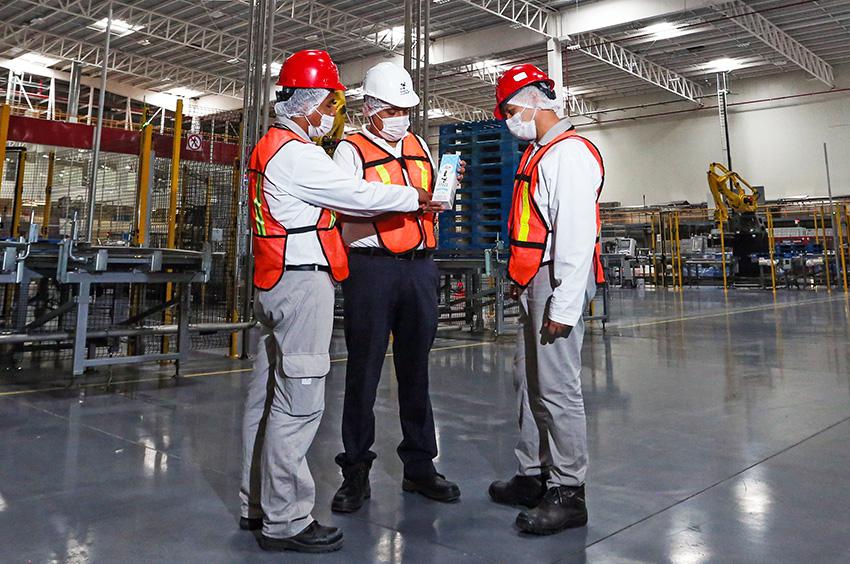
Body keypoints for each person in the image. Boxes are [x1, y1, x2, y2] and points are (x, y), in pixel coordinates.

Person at [239, 50, 441, 554]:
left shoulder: (270, 145)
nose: (332, 112)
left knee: (265, 401)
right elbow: (357, 195)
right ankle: (286, 520)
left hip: (276, 280)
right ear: (309, 105)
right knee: (298, 405)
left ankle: (256, 503)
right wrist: (414, 198)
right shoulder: (300, 153)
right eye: (329, 103)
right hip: (302, 284)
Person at [329, 61, 461, 513]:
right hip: (371, 270)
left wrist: (446, 190)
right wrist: (410, 199)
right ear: (370, 108)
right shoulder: (349, 150)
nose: (401, 117)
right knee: (363, 371)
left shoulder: (420, 145)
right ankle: (355, 472)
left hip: (420, 267)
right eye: (392, 110)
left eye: (405, 109)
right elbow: (349, 200)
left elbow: (431, 199)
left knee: (416, 369)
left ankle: (420, 466)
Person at [488, 64, 605, 535]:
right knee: (529, 382)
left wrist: (563, 306)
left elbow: (575, 238)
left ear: (533, 104)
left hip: (558, 280)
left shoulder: (568, 155)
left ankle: (569, 491)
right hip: (536, 279)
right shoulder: (540, 152)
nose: (508, 121)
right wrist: (521, 280)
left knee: (557, 388)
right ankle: (533, 474)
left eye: (509, 111)